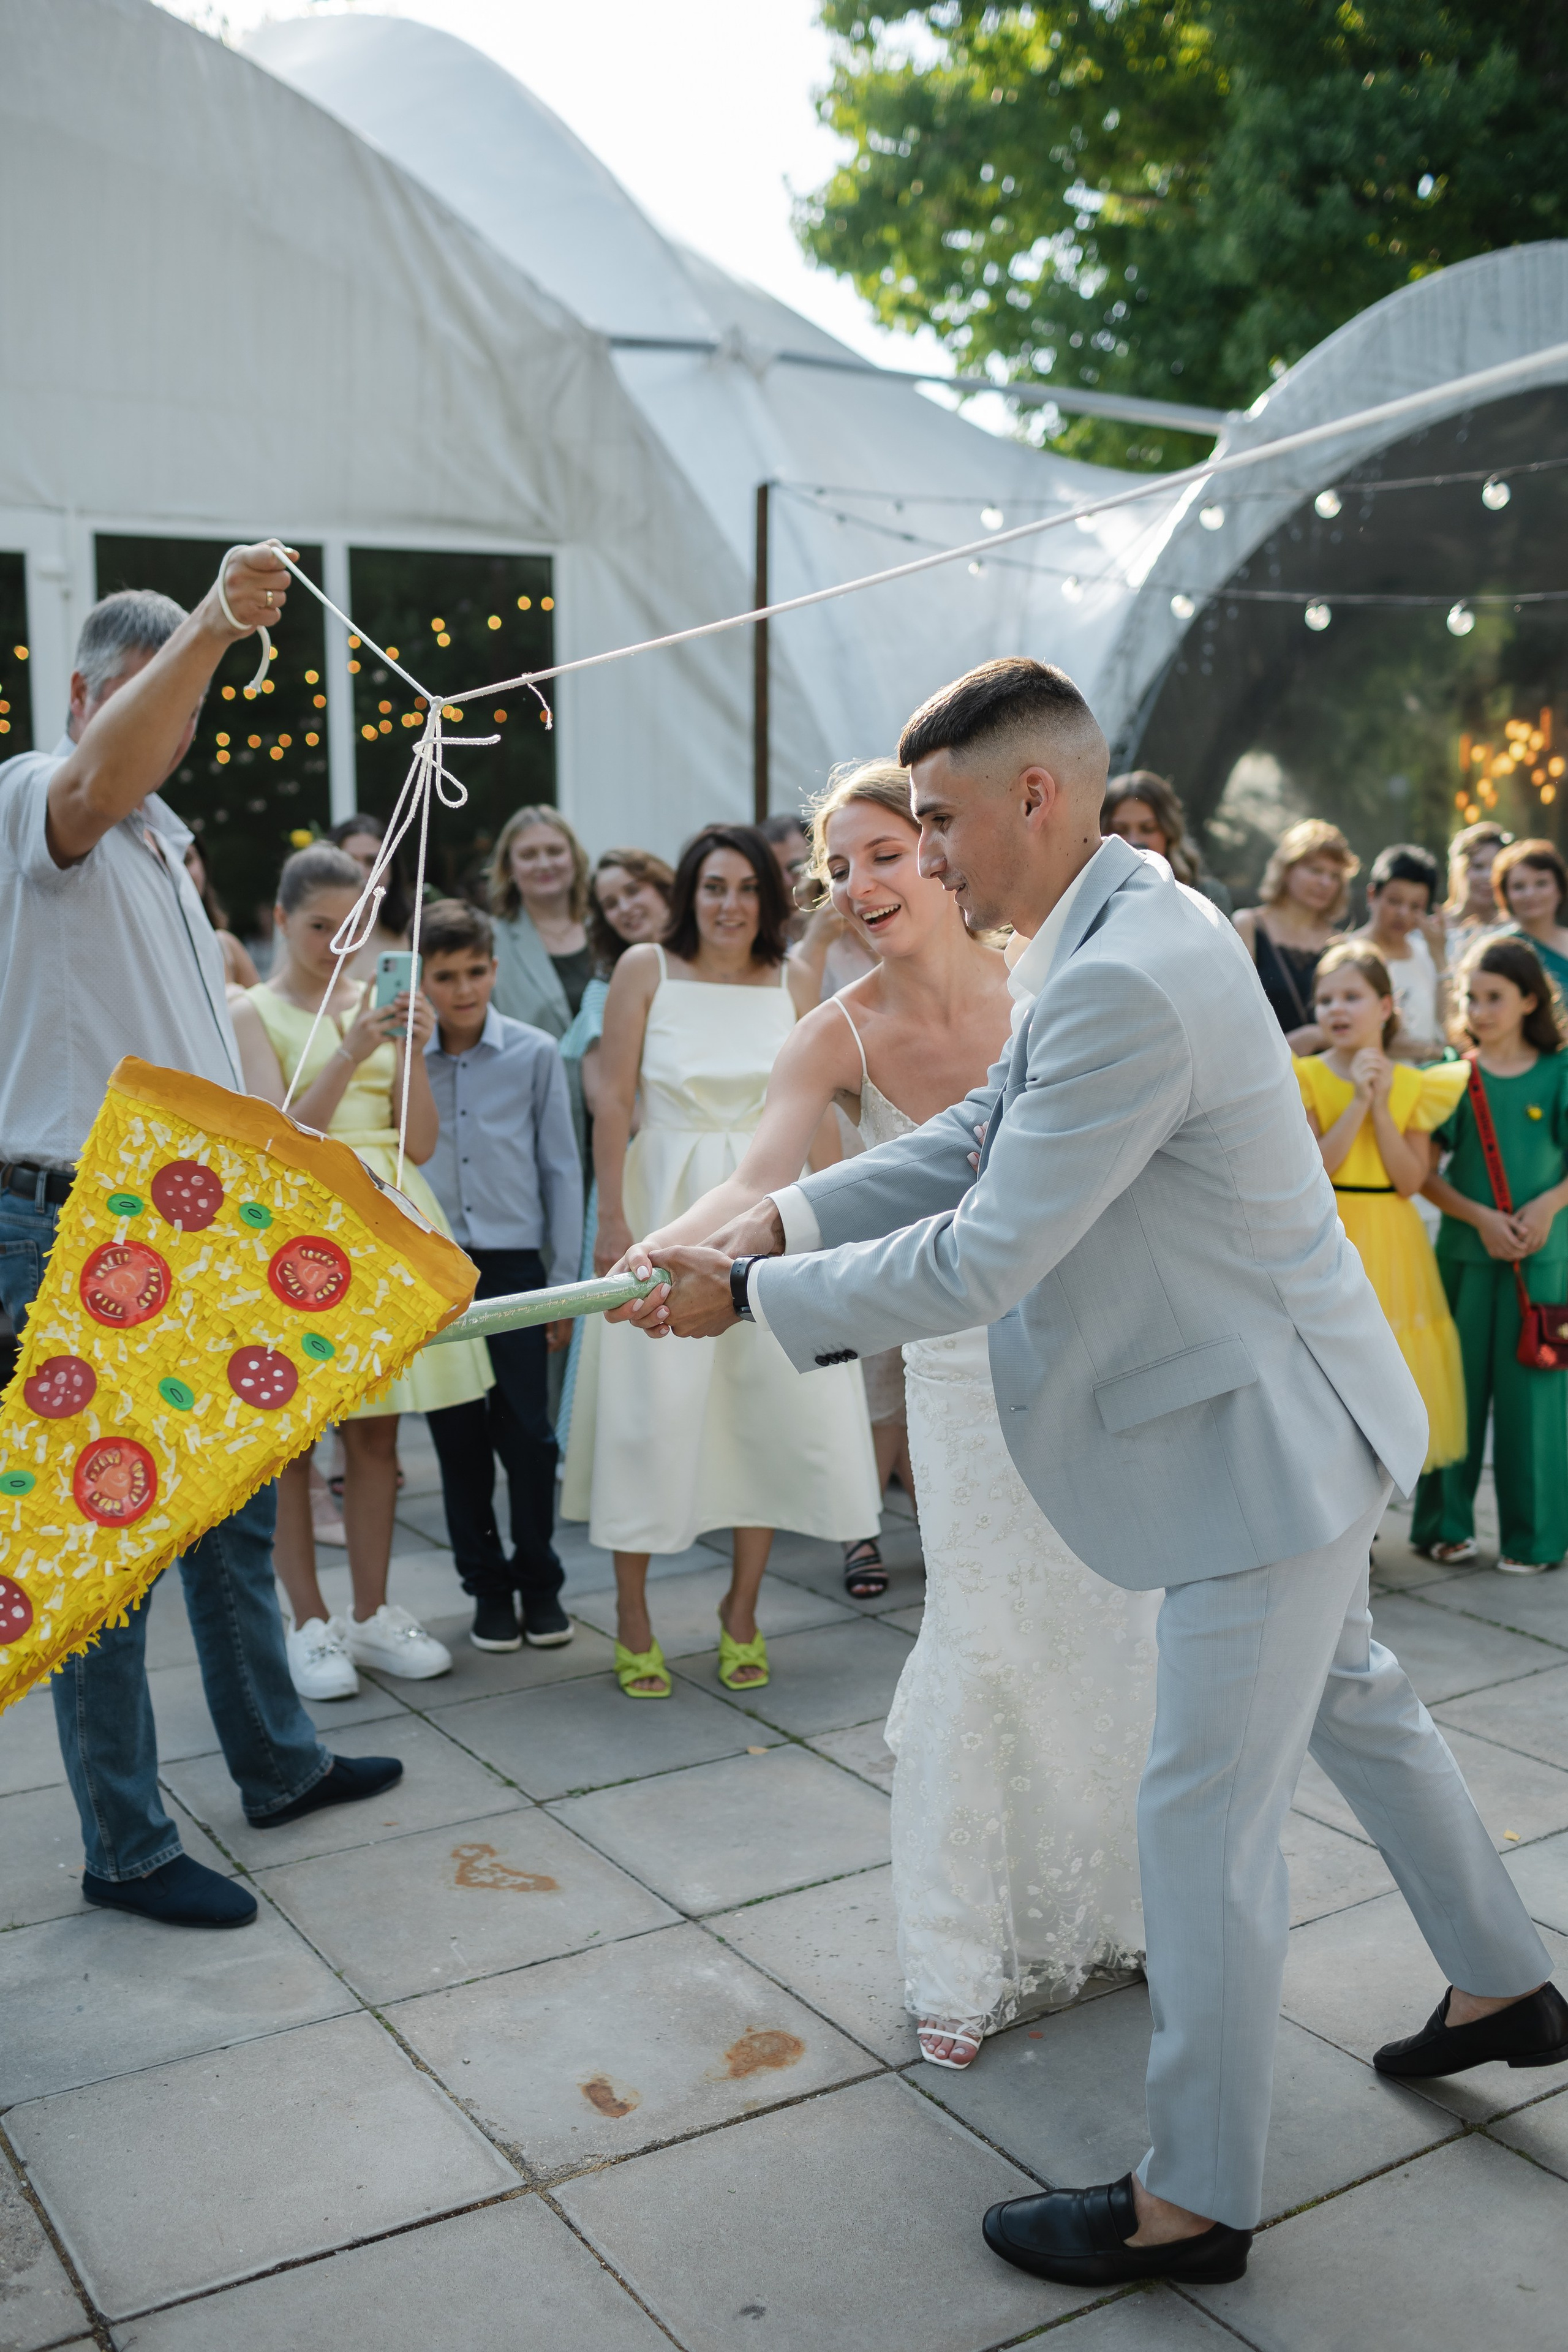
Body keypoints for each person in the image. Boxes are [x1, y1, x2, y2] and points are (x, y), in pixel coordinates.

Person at [625, 657, 1561, 2290]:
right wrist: (772, 1218)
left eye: (940, 820)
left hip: (1253, 1447)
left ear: (1033, 798)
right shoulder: (1123, 926)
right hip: (1281, 1410)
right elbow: (985, 1130)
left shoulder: (1123, 966)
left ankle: (1193, 2198)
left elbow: (988, 1251)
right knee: (1360, 1698)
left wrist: (757, 1296)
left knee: (1198, 1819)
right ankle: (1506, 1987)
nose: (926, 854)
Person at [626, 758, 1154, 2064]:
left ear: (939, 853)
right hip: (960, 1369)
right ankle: (958, 1961)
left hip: (1098, 1347)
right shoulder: (832, 1031)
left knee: (1107, 1634)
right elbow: (758, 1181)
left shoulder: (1045, 981)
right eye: (841, 865)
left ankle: (1115, 1911)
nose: (862, 884)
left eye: (887, 853)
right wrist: (652, 1258)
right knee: (980, 1644)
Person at [0, 559, 401, 1930]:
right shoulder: (39, 788)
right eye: (146, 696)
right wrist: (217, 626)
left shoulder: (166, 842)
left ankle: (277, 1764)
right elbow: (96, 781)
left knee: (229, 1517)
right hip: (72, 1218)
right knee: (104, 1550)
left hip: (181, 1220)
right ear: (80, 697)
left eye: (190, 702)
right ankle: (124, 1848)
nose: (172, 727)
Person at [562, 823, 880, 1698]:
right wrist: (613, 1219)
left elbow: (813, 1111)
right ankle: (632, 1619)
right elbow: (614, 1100)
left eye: (746, 888)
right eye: (713, 887)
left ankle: (742, 1614)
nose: (730, 905)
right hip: (666, 1203)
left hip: (768, 1216)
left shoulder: (793, 979)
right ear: (687, 896)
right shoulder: (645, 971)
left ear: (767, 897)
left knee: (764, 1410)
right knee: (647, 1415)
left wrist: (833, 1218)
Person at [232, 845, 494, 1697]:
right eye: (317, 927)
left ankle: (372, 1613)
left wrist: (411, 1047)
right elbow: (277, 1144)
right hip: (297, 1224)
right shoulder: (251, 1013)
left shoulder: (378, 1003)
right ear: (280, 921)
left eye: (351, 927)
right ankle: (308, 1622)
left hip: (388, 1209)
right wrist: (348, 1051)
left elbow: (418, 1142)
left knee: (379, 1432)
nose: (334, 944)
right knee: (295, 1441)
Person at [418, 899, 583, 1651]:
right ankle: (485, 1587)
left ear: (494, 967)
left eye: (475, 971)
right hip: (438, 1269)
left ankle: (539, 1579)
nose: (462, 990)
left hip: (518, 1268)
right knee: (459, 1441)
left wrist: (564, 1282)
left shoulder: (533, 1052)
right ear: (420, 981)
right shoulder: (405, 1064)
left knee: (529, 1435)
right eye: (444, 976)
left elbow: (560, 1169)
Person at [1411, 936, 1568, 1573]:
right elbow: (1421, 1175)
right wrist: (1479, 1218)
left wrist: (1548, 1205)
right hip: (1464, 1259)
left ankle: (1537, 1540)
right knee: (1453, 1393)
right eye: (1471, 997)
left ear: (1530, 998)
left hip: (1544, 1261)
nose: (1479, 1009)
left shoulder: (1560, 1072)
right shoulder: (1449, 1073)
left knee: (1536, 1402)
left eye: (1494, 997)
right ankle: (1442, 1527)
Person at [1295, 943, 1466, 1471]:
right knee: (1331, 1368)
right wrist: (1360, 1102)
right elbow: (1318, 1166)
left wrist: (1387, 1108)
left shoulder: (1415, 1083)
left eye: (1352, 997)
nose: (1337, 1010)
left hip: (1393, 1234)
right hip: (1331, 1227)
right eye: (1325, 1000)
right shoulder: (1305, 1075)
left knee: (1393, 1358)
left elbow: (1411, 1179)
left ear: (1386, 1007)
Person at [556, 849, 675, 1455]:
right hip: (639, 1170)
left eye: (636, 890)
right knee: (633, 1323)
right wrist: (612, 1211)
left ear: (662, 887)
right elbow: (609, 1104)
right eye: (611, 901)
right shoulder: (606, 991)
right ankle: (628, 1459)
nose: (627, 907)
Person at [1232, 817, 1357, 1050]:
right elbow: (1234, 1010)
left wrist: (1317, 1036)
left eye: (1335, 876)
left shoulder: (1341, 943)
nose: (1325, 882)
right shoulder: (1248, 924)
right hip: (1259, 1066)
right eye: (1316, 870)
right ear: (1287, 870)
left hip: (1320, 1075)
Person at [487, 804, 594, 1037]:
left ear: (575, 859)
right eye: (528, 855)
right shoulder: (490, 941)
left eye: (555, 851)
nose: (544, 864)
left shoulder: (606, 929)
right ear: (509, 868)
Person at [1353, 843, 1448, 1061]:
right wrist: (1438, 1052)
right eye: (1394, 901)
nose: (1403, 913)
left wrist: (1440, 957)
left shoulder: (1427, 954)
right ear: (1372, 895)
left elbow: (1446, 1027)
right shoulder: (1346, 955)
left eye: (1416, 906)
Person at [1101, 770, 1231, 912]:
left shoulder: (1206, 896)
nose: (1134, 841)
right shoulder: (1091, 892)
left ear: (1169, 831)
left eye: (1148, 829)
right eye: (1120, 830)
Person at [328, 810, 413, 979]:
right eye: (349, 861)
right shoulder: (312, 939)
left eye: (372, 861)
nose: (361, 873)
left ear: (392, 870)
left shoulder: (413, 935)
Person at [1492, 837, 1568, 1003]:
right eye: (1519, 887)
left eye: (1541, 883)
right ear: (1505, 896)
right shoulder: (1498, 950)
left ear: (1560, 888)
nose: (1530, 894)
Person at [182, 839, 259, 989]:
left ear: (203, 863)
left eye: (187, 860)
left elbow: (263, 1010)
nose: (181, 873)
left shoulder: (226, 946)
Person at [1442, 818, 1511, 960]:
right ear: (1459, 869)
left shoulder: (1513, 930)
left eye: (1495, 868)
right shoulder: (1433, 928)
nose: (1488, 877)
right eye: (1478, 867)